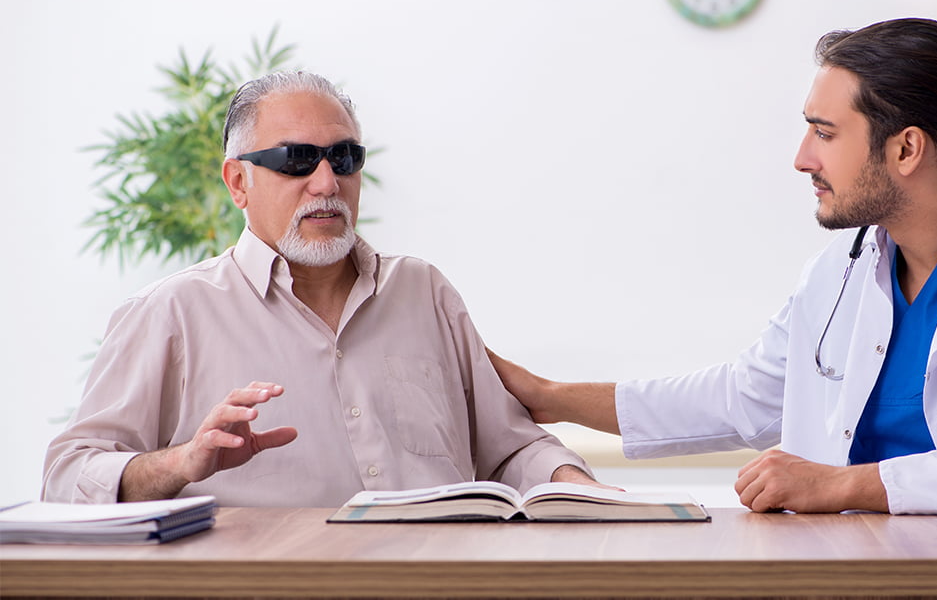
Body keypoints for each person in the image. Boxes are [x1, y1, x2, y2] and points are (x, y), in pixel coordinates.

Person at [491, 17, 937, 516]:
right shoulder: (846, 266)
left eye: (825, 133)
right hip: (847, 571)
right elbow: (745, 397)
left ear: (907, 148)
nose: (803, 158)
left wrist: (842, 485)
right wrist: (548, 397)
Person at [44, 71, 594, 506]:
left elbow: (513, 448)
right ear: (239, 182)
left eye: (345, 158)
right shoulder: (171, 313)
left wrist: (579, 488)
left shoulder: (423, 291)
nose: (327, 183)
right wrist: (182, 462)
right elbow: (68, 477)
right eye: (297, 160)